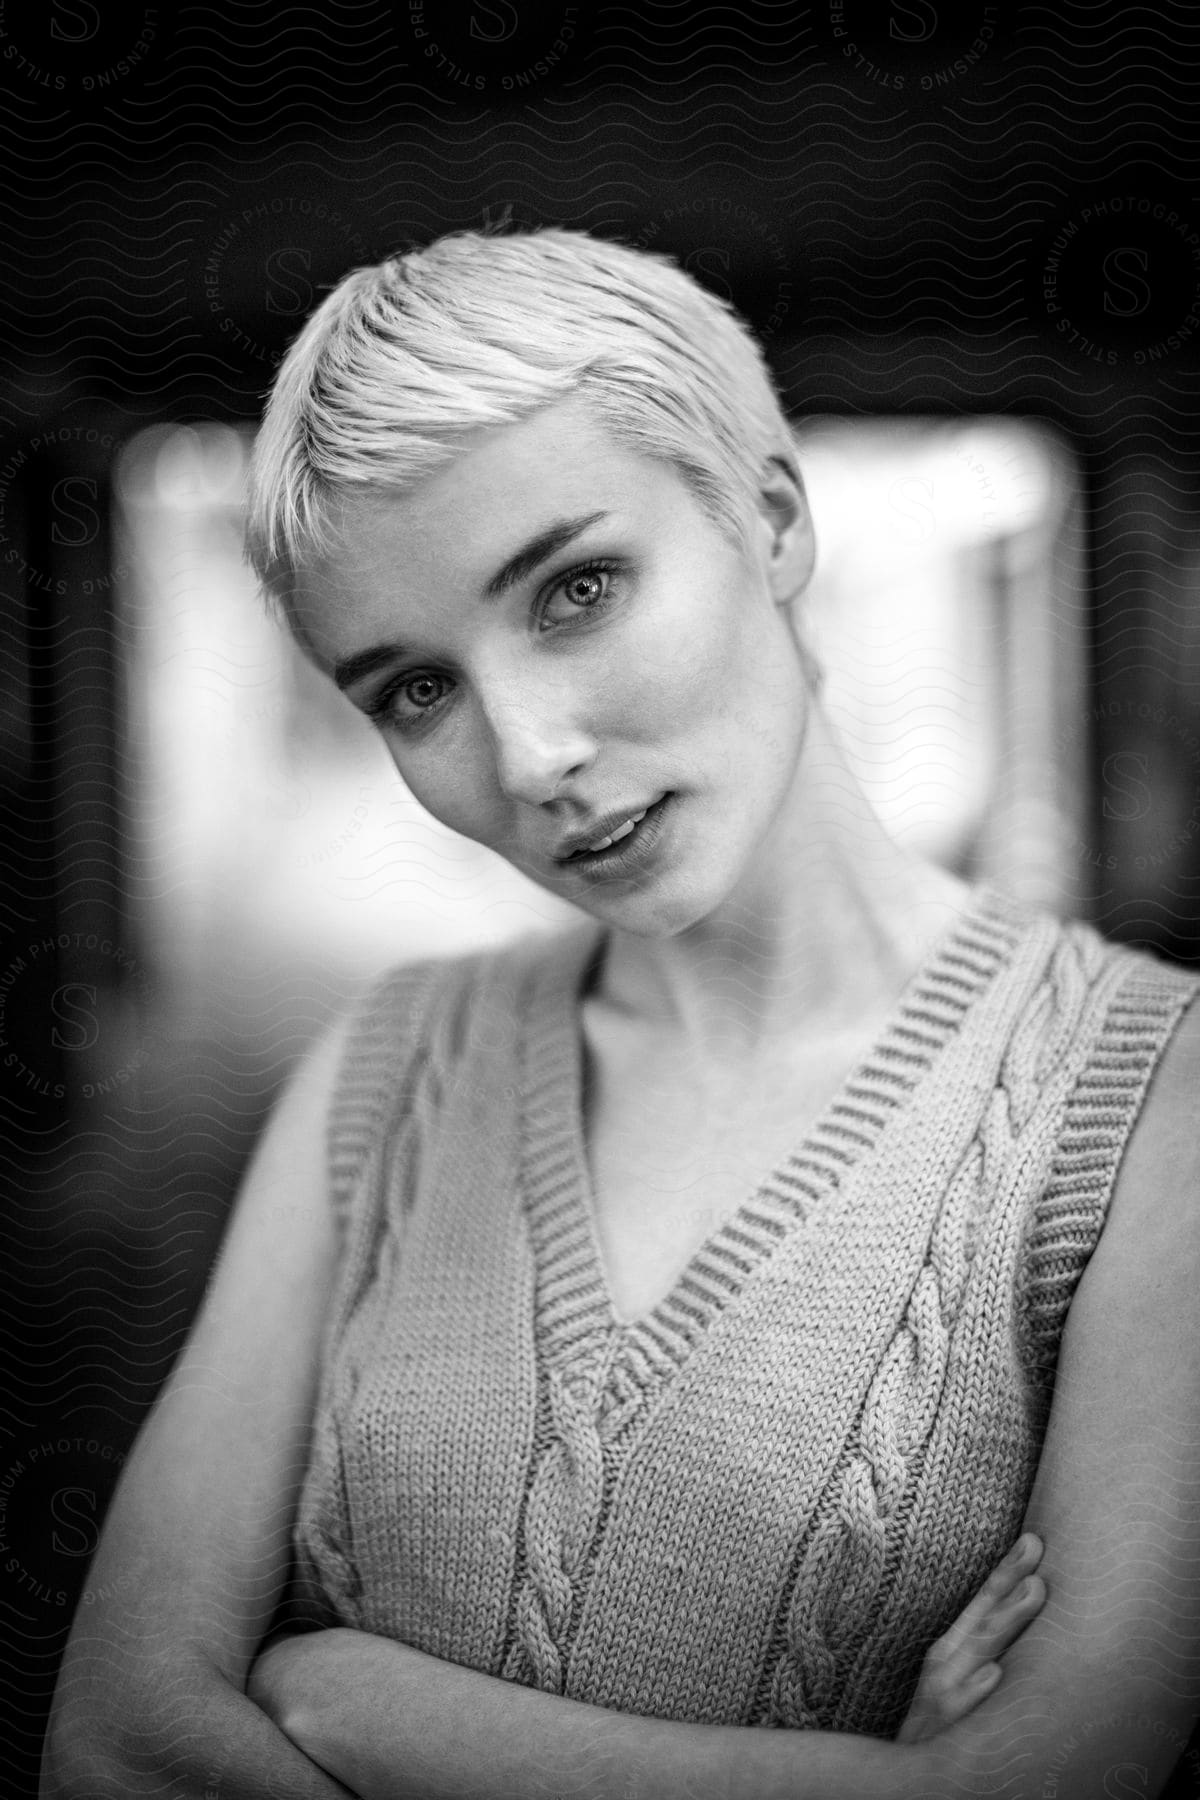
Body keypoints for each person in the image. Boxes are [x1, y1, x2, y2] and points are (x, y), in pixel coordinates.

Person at [42, 226, 1200, 1800]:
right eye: (414, 691)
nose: (525, 758)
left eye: (575, 588)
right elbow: (112, 1746)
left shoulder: (1144, 1105)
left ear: (770, 518)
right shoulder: (385, 1071)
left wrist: (354, 1703)